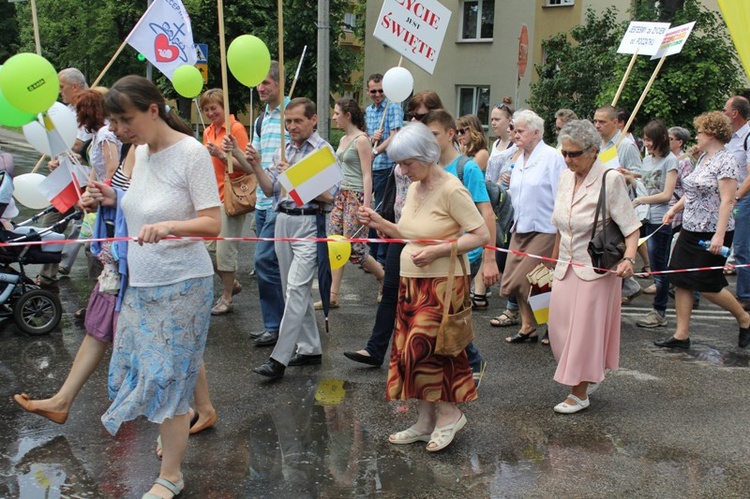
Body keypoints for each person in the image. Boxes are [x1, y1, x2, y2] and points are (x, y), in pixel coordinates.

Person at [93, 75, 221, 499]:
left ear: (153, 109)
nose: (119, 129)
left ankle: (171, 475)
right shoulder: (138, 152)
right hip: (142, 284)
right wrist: (106, 199)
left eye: (125, 119)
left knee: (169, 379)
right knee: (141, 372)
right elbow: (135, 205)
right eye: (114, 121)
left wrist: (169, 226)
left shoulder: (192, 153)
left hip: (185, 283)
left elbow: (212, 223)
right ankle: (171, 442)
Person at [357, 122, 489, 452]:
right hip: (413, 282)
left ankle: (449, 415)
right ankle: (425, 420)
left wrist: (439, 249)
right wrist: (380, 222)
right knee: (410, 353)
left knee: (435, 351)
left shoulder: (451, 188)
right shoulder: (416, 185)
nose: (401, 170)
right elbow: (409, 233)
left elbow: (480, 234)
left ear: (425, 157)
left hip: (443, 284)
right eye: (399, 163)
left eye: (406, 163)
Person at [231, 97, 339, 380]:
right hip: (282, 221)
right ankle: (311, 348)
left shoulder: (323, 152)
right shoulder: (284, 148)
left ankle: (278, 359)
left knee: (295, 289)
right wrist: (254, 165)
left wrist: (295, 178)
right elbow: (269, 190)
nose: (291, 127)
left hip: (309, 223)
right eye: (288, 121)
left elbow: (330, 197)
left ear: (313, 120)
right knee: (294, 289)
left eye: (298, 121)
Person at [342, 90, 443, 369]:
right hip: (401, 231)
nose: (413, 119)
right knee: (390, 292)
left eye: (420, 115)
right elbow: (397, 188)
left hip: (428, 238)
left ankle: (467, 358)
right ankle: (375, 350)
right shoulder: (407, 148)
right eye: (411, 114)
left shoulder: (436, 153)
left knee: (431, 304)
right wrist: (387, 222)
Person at [549, 119, 641, 414]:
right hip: (565, 265)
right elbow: (559, 227)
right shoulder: (565, 176)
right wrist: (550, 264)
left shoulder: (610, 179)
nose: (567, 159)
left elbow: (630, 227)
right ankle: (588, 375)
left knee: (583, 333)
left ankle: (579, 391)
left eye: (574, 154)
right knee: (559, 331)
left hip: (596, 268)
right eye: (564, 153)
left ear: (593, 151)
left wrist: (628, 258)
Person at [655, 111, 750, 349]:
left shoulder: (726, 161)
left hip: (712, 231)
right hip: (690, 228)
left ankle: (745, 318)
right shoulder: (704, 158)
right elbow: (694, 190)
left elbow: (728, 200)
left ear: (712, 134)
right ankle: (681, 335)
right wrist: (674, 209)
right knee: (681, 279)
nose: (696, 136)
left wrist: (719, 235)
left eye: (699, 132)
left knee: (707, 285)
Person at [424, 109, 498, 377]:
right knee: (442, 308)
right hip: (440, 249)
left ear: (450, 134)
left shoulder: (467, 168)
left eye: (434, 134)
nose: (429, 140)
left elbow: (487, 212)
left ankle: (472, 362)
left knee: (450, 308)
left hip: (468, 250)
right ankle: (457, 362)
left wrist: (489, 259)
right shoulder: (429, 168)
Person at [502, 110, 565, 345]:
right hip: (520, 227)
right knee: (512, 281)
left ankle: (553, 325)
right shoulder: (519, 159)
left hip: (545, 228)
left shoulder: (552, 157)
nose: (515, 135)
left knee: (533, 281)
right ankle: (528, 326)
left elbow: (561, 193)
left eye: (520, 131)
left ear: (536, 133)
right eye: (514, 130)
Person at [317, 97, 383, 309]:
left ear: (348, 115)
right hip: (340, 195)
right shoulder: (343, 140)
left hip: (355, 197)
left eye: (337, 114)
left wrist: (366, 204)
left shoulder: (361, 140)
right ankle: (333, 295)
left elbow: (366, 174)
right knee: (335, 242)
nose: (334, 117)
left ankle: (385, 278)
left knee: (355, 248)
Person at [36, 68, 94, 291]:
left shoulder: (89, 110)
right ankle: (46, 276)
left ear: (75, 87)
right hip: (65, 178)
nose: (59, 92)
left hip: (85, 181)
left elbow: (79, 144)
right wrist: (55, 157)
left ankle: (100, 292)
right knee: (50, 227)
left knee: (91, 239)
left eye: (61, 87)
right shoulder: (64, 110)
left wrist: (62, 148)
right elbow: (62, 143)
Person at [198, 88, 251, 316]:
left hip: (230, 198)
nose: (210, 113)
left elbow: (248, 166)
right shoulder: (208, 131)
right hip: (210, 197)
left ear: (224, 108)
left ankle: (227, 296)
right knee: (205, 249)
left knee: (225, 252)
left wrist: (221, 156)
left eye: (214, 108)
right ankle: (233, 284)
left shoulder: (236, 129)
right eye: (206, 109)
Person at [249, 61, 289, 347]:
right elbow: (255, 162)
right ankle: (276, 324)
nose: (260, 88)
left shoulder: (291, 113)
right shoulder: (261, 119)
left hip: (283, 201)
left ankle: (278, 326)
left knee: (264, 261)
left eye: (266, 83)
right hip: (263, 199)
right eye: (258, 84)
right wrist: (233, 153)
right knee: (271, 265)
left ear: (278, 84)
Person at [626, 120, 678, 328]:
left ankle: (660, 311)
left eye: (649, 140)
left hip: (660, 220)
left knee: (659, 267)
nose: (646, 143)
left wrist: (640, 200)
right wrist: (629, 176)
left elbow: (666, 195)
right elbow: (644, 185)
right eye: (645, 139)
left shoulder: (670, 161)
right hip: (646, 216)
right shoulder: (647, 159)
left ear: (660, 139)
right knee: (656, 267)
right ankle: (658, 309)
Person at [593, 105, 643, 303]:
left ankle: (627, 286)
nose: (597, 125)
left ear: (616, 122)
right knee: (603, 246)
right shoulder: (599, 144)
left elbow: (640, 175)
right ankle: (628, 286)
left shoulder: (626, 145)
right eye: (595, 121)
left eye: (602, 122)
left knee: (611, 246)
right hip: (601, 203)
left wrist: (625, 174)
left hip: (620, 204)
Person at [485, 99, 522, 328]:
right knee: (503, 257)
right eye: (491, 119)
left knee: (511, 261)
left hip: (515, 212)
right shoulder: (497, 145)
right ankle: (516, 309)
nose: (493, 123)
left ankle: (516, 309)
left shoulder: (521, 151)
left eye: (497, 119)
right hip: (497, 206)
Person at [365, 73, 403, 266]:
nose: (378, 94)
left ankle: (381, 257)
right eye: (374, 91)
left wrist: (375, 150)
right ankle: (371, 253)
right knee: (365, 209)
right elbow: (367, 137)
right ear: (368, 91)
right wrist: (372, 140)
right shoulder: (368, 111)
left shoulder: (393, 106)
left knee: (380, 210)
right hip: (369, 168)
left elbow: (394, 136)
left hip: (385, 167)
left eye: (381, 90)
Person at [723, 96, 750, 309]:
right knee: (720, 242)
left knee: (741, 247)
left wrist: (737, 198)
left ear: (735, 113)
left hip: (742, 199)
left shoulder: (748, 136)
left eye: (726, 110)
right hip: (728, 198)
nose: (723, 113)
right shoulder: (729, 137)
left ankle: (745, 296)